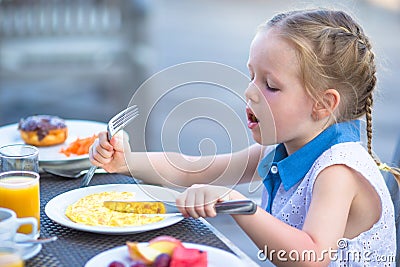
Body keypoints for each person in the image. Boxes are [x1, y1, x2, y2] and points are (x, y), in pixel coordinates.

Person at [89, 9, 399, 266]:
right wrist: (125, 161)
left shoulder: (337, 171)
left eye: (271, 86)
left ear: (322, 104)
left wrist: (237, 204)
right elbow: (192, 167)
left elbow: (311, 256)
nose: (250, 91)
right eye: (252, 75)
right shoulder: (284, 148)